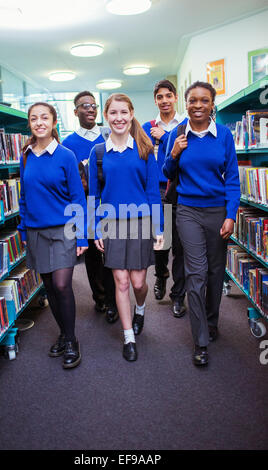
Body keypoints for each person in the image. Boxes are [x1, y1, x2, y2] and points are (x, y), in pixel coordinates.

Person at [162, 81, 240, 367]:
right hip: (188, 211)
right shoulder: (177, 135)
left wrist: (230, 214)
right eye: (192, 100)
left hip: (218, 211)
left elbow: (232, 177)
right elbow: (167, 172)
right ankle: (200, 340)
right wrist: (174, 155)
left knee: (215, 272)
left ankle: (211, 320)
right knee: (196, 273)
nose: (197, 106)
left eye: (204, 101)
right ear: (186, 103)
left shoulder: (224, 136)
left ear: (211, 104)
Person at [89, 93, 163, 362]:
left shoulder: (144, 150)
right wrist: (95, 229)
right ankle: (128, 336)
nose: (118, 118)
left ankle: (140, 308)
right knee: (121, 282)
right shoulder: (98, 152)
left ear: (131, 114)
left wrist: (159, 227)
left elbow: (153, 191)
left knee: (139, 282)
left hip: (141, 223)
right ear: (106, 117)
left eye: (123, 112)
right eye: (113, 113)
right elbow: (93, 197)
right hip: (111, 225)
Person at [18, 102, 88, 369]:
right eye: (34, 118)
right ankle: (63, 333)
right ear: (30, 124)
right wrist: (24, 230)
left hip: (63, 230)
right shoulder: (26, 156)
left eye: (44, 117)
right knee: (49, 287)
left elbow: (78, 199)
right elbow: (24, 197)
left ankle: (71, 341)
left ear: (54, 122)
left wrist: (82, 237)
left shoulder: (66, 155)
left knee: (61, 285)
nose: (39, 122)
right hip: (36, 231)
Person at [62, 91, 118, 324]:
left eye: (94, 105)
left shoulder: (109, 135)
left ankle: (115, 300)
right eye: (85, 106)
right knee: (94, 255)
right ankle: (101, 298)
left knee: (113, 251)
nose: (91, 109)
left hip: (112, 202)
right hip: (85, 205)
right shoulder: (67, 144)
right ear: (75, 112)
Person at [142, 79, 186, 317]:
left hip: (180, 188)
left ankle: (178, 294)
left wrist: (167, 134)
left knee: (180, 245)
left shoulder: (186, 123)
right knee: (161, 241)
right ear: (155, 100)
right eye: (160, 97)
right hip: (157, 189)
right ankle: (161, 275)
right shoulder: (147, 126)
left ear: (176, 97)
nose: (164, 100)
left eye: (168, 95)